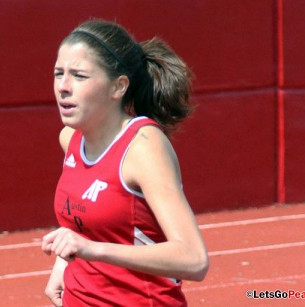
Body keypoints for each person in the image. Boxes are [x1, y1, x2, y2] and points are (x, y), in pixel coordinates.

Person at [41, 18, 209, 307]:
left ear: (118, 87)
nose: (63, 87)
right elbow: (83, 219)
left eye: (79, 76)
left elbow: (194, 259)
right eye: (59, 73)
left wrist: (92, 250)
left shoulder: (143, 148)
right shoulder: (71, 139)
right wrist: (63, 262)